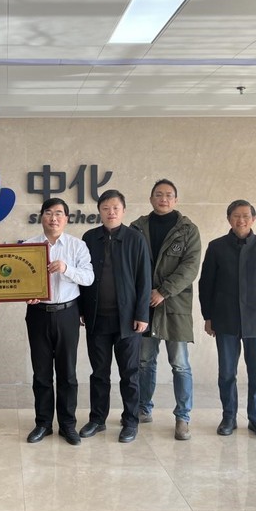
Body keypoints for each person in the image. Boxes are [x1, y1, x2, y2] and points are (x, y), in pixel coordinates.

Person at [199, 199, 256, 439]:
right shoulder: (216, 247)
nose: (241, 220)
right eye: (236, 215)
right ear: (229, 219)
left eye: (246, 216)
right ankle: (229, 417)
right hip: (225, 319)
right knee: (227, 372)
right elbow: (206, 284)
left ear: (253, 219)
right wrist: (208, 316)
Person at [130, 178, 201, 441]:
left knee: (180, 364)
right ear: (151, 199)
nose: (163, 199)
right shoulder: (137, 228)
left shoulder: (188, 230)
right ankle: (143, 408)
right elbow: (130, 265)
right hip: (144, 305)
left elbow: (190, 267)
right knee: (144, 361)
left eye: (169, 195)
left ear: (176, 200)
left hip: (174, 306)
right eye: (158, 194)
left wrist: (163, 291)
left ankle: (183, 417)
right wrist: (144, 294)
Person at [78, 189, 151, 443]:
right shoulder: (89, 238)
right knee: (99, 373)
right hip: (97, 318)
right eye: (106, 208)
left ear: (123, 211)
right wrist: (82, 310)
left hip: (128, 320)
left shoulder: (135, 239)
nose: (111, 212)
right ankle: (97, 419)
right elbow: (81, 278)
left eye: (115, 208)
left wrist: (142, 314)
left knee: (129, 374)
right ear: (99, 211)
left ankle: (130, 421)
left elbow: (144, 279)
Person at [24, 198, 94, 446]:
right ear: (41, 216)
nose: (53, 218)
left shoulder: (77, 246)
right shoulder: (29, 246)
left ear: (66, 218)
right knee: (41, 373)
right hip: (38, 314)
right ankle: (43, 423)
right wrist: (26, 293)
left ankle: (67, 424)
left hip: (67, 314)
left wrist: (66, 268)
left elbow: (88, 277)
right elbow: (20, 280)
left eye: (58, 213)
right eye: (48, 213)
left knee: (67, 373)